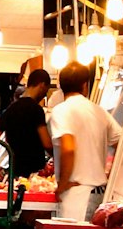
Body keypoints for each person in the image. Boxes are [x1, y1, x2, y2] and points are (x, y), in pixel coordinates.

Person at [47, 61, 115, 218]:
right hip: (100, 193)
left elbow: (69, 148)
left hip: (76, 194)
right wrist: (111, 175)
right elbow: (122, 143)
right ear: (85, 85)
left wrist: (62, 184)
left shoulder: (61, 111)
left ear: (61, 86)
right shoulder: (99, 111)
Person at [0, 63, 54, 190]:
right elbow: (46, 143)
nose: (45, 94)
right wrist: (56, 157)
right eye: (46, 90)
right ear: (42, 85)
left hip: (16, 168)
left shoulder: (10, 109)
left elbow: (4, 138)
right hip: (35, 170)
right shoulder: (36, 110)